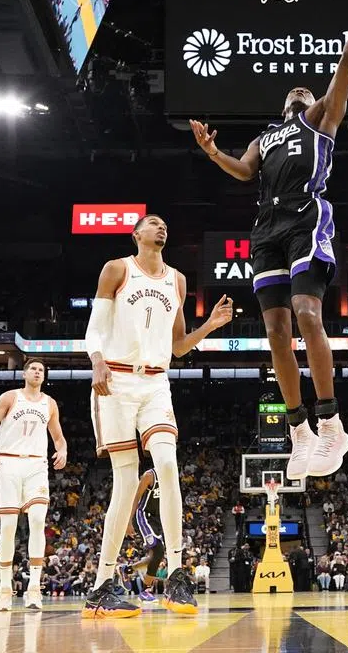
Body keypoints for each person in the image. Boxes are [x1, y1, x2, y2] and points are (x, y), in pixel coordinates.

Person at [188, 0, 348, 482]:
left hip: (307, 216)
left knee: (309, 316)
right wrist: (212, 151)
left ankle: (332, 420)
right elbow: (243, 172)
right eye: (293, 93)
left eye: (306, 91)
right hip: (264, 229)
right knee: (275, 334)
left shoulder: (322, 119)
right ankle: (299, 430)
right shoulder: (265, 137)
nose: (298, 92)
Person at [82, 213, 234, 618]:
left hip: (155, 384)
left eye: (165, 223)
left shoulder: (178, 280)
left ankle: (178, 577)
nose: (161, 227)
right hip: (114, 380)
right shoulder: (117, 269)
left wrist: (212, 325)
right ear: (136, 235)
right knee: (125, 483)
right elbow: (94, 328)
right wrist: (96, 361)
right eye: (152, 223)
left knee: (167, 465)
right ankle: (102, 585)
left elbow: (180, 346)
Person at [0, 357, 69, 611]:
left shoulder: (49, 404)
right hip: (8, 463)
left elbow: (59, 438)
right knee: (8, 526)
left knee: (38, 520)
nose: (38, 372)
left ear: (45, 376)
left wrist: (62, 452)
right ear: (24, 373)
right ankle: (5, 590)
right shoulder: (9, 397)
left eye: (41, 370)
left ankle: (34, 590)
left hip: (37, 465)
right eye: (33, 368)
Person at [125, 467, 165, 602]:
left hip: (156, 518)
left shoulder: (169, 475)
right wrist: (129, 521)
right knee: (158, 550)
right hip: (142, 516)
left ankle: (127, 570)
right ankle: (145, 591)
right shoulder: (149, 475)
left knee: (155, 556)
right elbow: (136, 497)